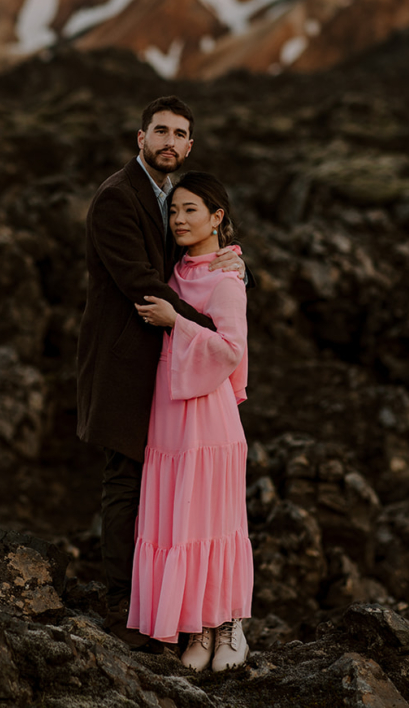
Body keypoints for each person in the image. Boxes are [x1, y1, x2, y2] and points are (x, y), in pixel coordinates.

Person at [76, 96, 242, 649]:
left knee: (163, 489)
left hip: (168, 366)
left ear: (190, 145)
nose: (170, 141)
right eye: (160, 131)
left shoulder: (174, 199)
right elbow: (142, 281)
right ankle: (124, 604)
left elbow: (196, 255)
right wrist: (216, 328)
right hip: (126, 364)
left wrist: (234, 268)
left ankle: (168, 604)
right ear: (139, 137)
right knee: (125, 481)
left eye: (180, 134)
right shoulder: (117, 199)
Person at [129, 172, 252, 671]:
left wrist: (175, 322)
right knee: (181, 519)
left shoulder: (226, 280)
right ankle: (198, 626)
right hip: (169, 414)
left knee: (213, 520)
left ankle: (229, 626)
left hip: (209, 418)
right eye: (174, 211)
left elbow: (231, 349)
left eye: (191, 211)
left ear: (216, 217)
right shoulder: (175, 272)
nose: (179, 220)